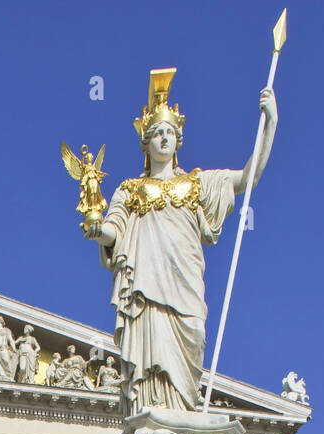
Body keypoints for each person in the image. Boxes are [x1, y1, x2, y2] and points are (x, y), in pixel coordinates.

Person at [84, 74, 277, 412]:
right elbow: (114, 232)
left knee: (193, 339)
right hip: (146, 290)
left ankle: (183, 413)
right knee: (149, 363)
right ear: (146, 143)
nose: (164, 139)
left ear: (178, 140)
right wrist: (96, 227)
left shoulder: (198, 184)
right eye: (157, 133)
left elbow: (250, 178)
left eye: (169, 133)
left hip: (184, 284)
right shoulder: (129, 190)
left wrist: (270, 122)